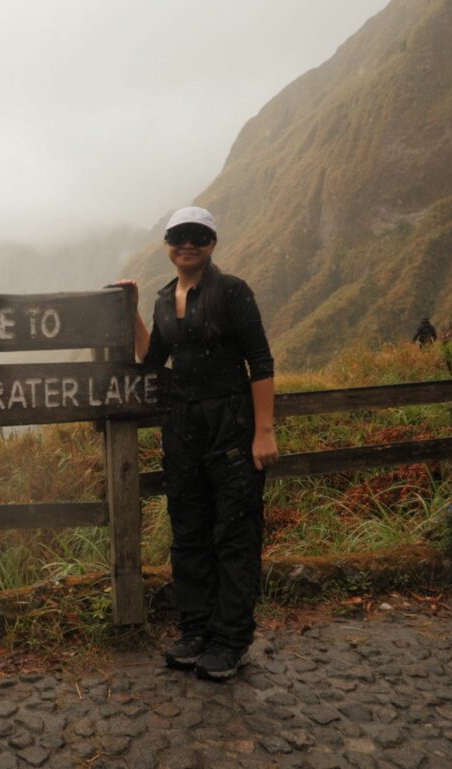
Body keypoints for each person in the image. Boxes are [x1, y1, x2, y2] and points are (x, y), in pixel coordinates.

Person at [117, 206, 278, 681]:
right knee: (188, 531)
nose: (187, 243)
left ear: (212, 243)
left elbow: (260, 362)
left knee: (234, 532)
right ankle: (195, 631)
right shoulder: (166, 298)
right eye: (178, 235)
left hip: (231, 422)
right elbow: (153, 360)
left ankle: (230, 639)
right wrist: (132, 311)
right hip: (183, 425)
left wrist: (263, 431)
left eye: (198, 235)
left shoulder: (232, 292)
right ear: (167, 243)